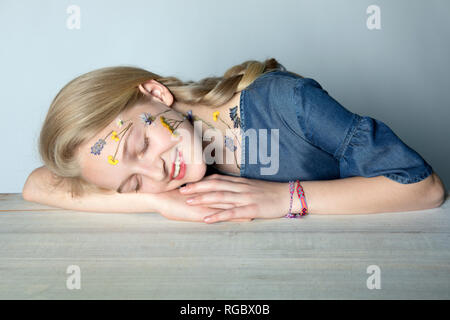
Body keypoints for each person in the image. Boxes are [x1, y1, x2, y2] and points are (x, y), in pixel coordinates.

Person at [22, 58, 446, 223]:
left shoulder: (287, 102)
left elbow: (422, 187)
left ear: (154, 94)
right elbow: (36, 184)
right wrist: (155, 201)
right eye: (132, 182)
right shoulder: (167, 180)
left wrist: (283, 199)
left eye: (141, 146)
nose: (156, 171)